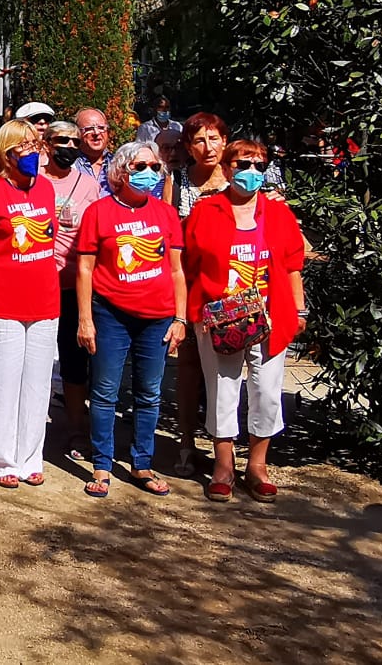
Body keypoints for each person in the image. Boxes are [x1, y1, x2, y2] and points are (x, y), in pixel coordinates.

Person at [184, 139, 307, 504]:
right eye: (242, 164)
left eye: (258, 165)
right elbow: (191, 266)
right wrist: (198, 312)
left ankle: (257, 464)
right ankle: (223, 464)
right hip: (222, 317)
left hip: (271, 314)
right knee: (222, 388)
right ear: (226, 167)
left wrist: (299, 310)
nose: (251, 172)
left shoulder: (279, 213)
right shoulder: (206, 212)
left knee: (267, 390)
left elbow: (293, 265)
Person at [75, 141, 186, 498]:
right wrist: (85, 319)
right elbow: (85, 269)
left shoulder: (166, 214)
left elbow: (177, 270)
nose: (149, 174)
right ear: (122, 171)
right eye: (141, 166)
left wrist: (180, 318)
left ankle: (142, 463)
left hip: (157, 318)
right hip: (111, 315)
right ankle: (102, 466)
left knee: (149, 394)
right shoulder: (99, 212)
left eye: (155, 167)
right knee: (105, 393)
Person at [0, 119, 59, 487]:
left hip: (44, 300)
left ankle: (29, 457)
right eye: (28, 147)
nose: (35, 153)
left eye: (38, 146)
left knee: (37, 386)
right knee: (0, 384)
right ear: (7, 153)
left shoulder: (46, 190)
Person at [164, 112, 230, 475]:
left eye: (214, 138)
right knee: (188, 367)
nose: (208, 147)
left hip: (232, 285)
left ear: (224, 140)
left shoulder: (237, 176)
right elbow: (169, 232)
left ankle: (226, 447)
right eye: (200, 140)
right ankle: (187, 443)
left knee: (229, 369)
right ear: (189, 147)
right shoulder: (177, 180)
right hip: (190, 284)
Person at [44, 121, 102, 461]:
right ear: (46, 143)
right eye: (61, 140)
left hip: (73, 284)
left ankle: (77, 430)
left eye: (74, 141)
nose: (68, 146)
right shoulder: (33, 177)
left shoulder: (89, 185)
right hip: (36, 283)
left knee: (74, 360)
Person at [74, 107, 114, 195]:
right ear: (77, 133)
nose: (96, 133)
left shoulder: (118, 164)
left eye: (101, 128)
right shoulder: (70, 166)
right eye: (89, 129)